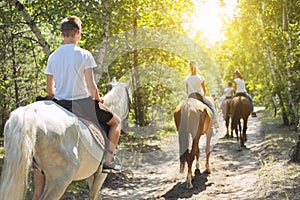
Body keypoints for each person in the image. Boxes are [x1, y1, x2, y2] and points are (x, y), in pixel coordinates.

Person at [32, 16, 121, 200]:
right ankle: (108, 161)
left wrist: (60, 94)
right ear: (79, 33)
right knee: (116, 123)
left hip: (59, 104)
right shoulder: (84, 55)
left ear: (61, 34)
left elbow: (50, 90)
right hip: (82, 104)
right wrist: (99, 99)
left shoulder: (53, 56)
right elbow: (91, 87)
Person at [184, 61, 219, 128]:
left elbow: (187, 90)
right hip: (199, 96)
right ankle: (215, 122)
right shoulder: (200, 77)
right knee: (212, 106)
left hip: (190, 97)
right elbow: (204, 90)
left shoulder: (187, 78)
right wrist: (203, 96)